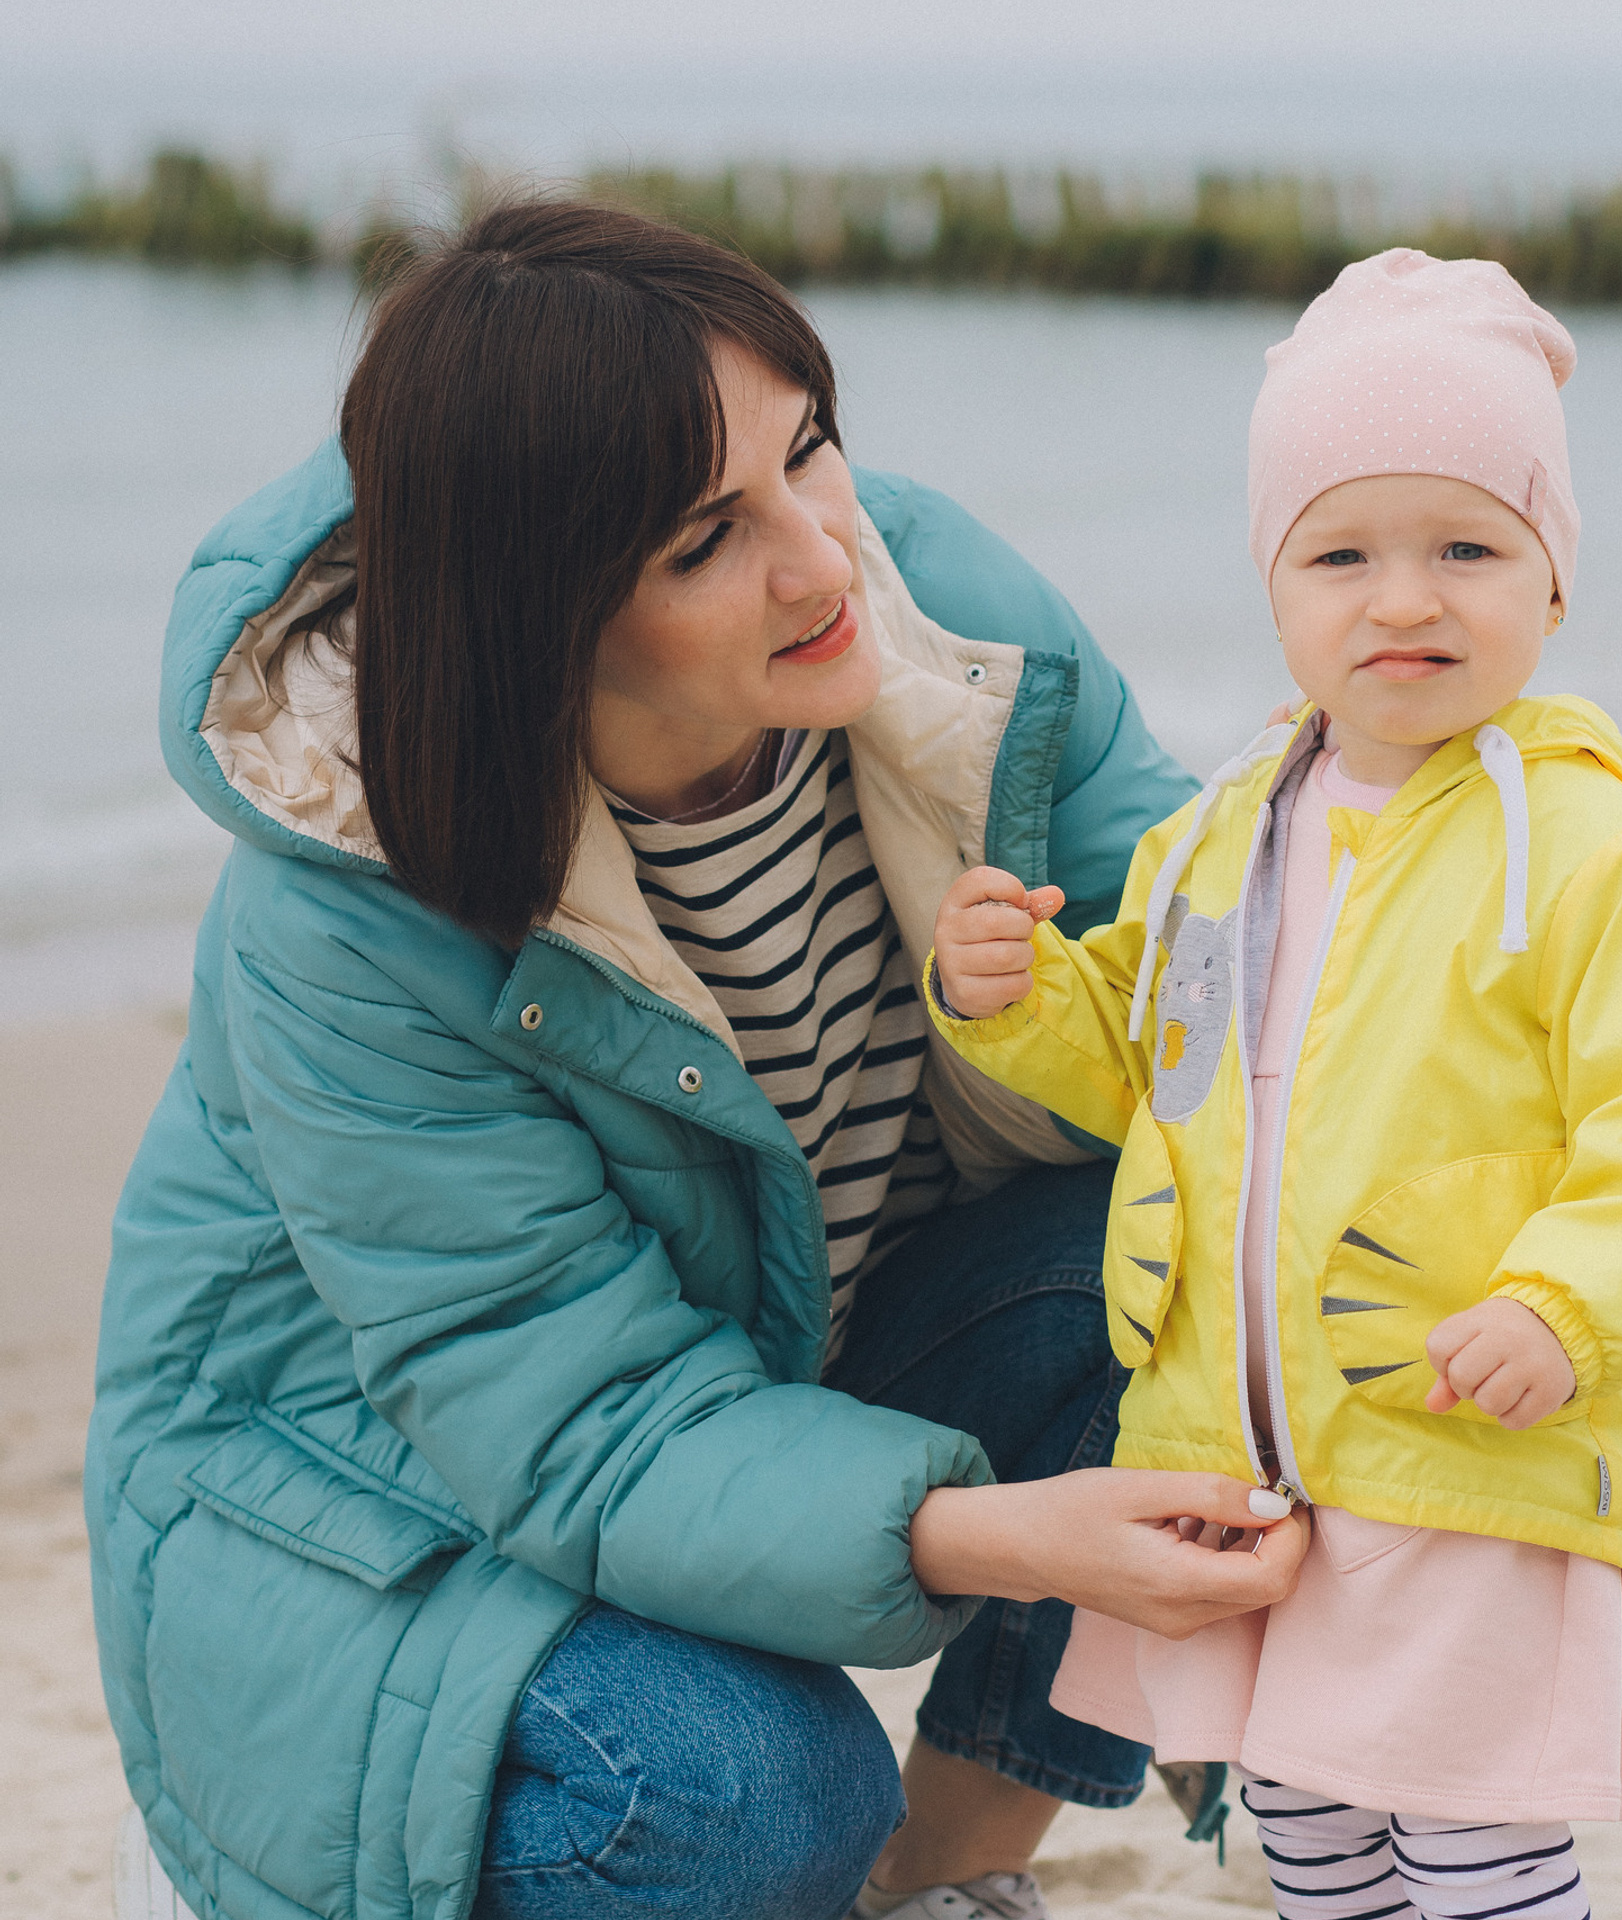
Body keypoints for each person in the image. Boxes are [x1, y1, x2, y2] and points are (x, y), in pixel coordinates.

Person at [87, 199, 1311, 1920]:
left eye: (809, 450)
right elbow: (581, 1423)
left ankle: (935, 1886)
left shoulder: (942, 624)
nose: (825, 558)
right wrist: (1009, 1533)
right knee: (742, 1792)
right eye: (701, 540)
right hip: (376, 1504)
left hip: (771, 1360)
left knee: (1219, 1283)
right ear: (541, 615)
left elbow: (1228, 1001)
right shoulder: (350, 913)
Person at [925, 249, 1622, 1920]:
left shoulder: (1590, 844)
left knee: (1462, 1825)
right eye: (1343, 553)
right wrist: (1008, 1001)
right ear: (1276, 584)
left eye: (1468, 548)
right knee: (1305, 1820)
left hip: (1457, 1422)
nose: (1404, 600)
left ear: (1553, 581)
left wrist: (1563, 1305)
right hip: (1243, 1446)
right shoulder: (1222, 834)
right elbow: (1142, 1068)